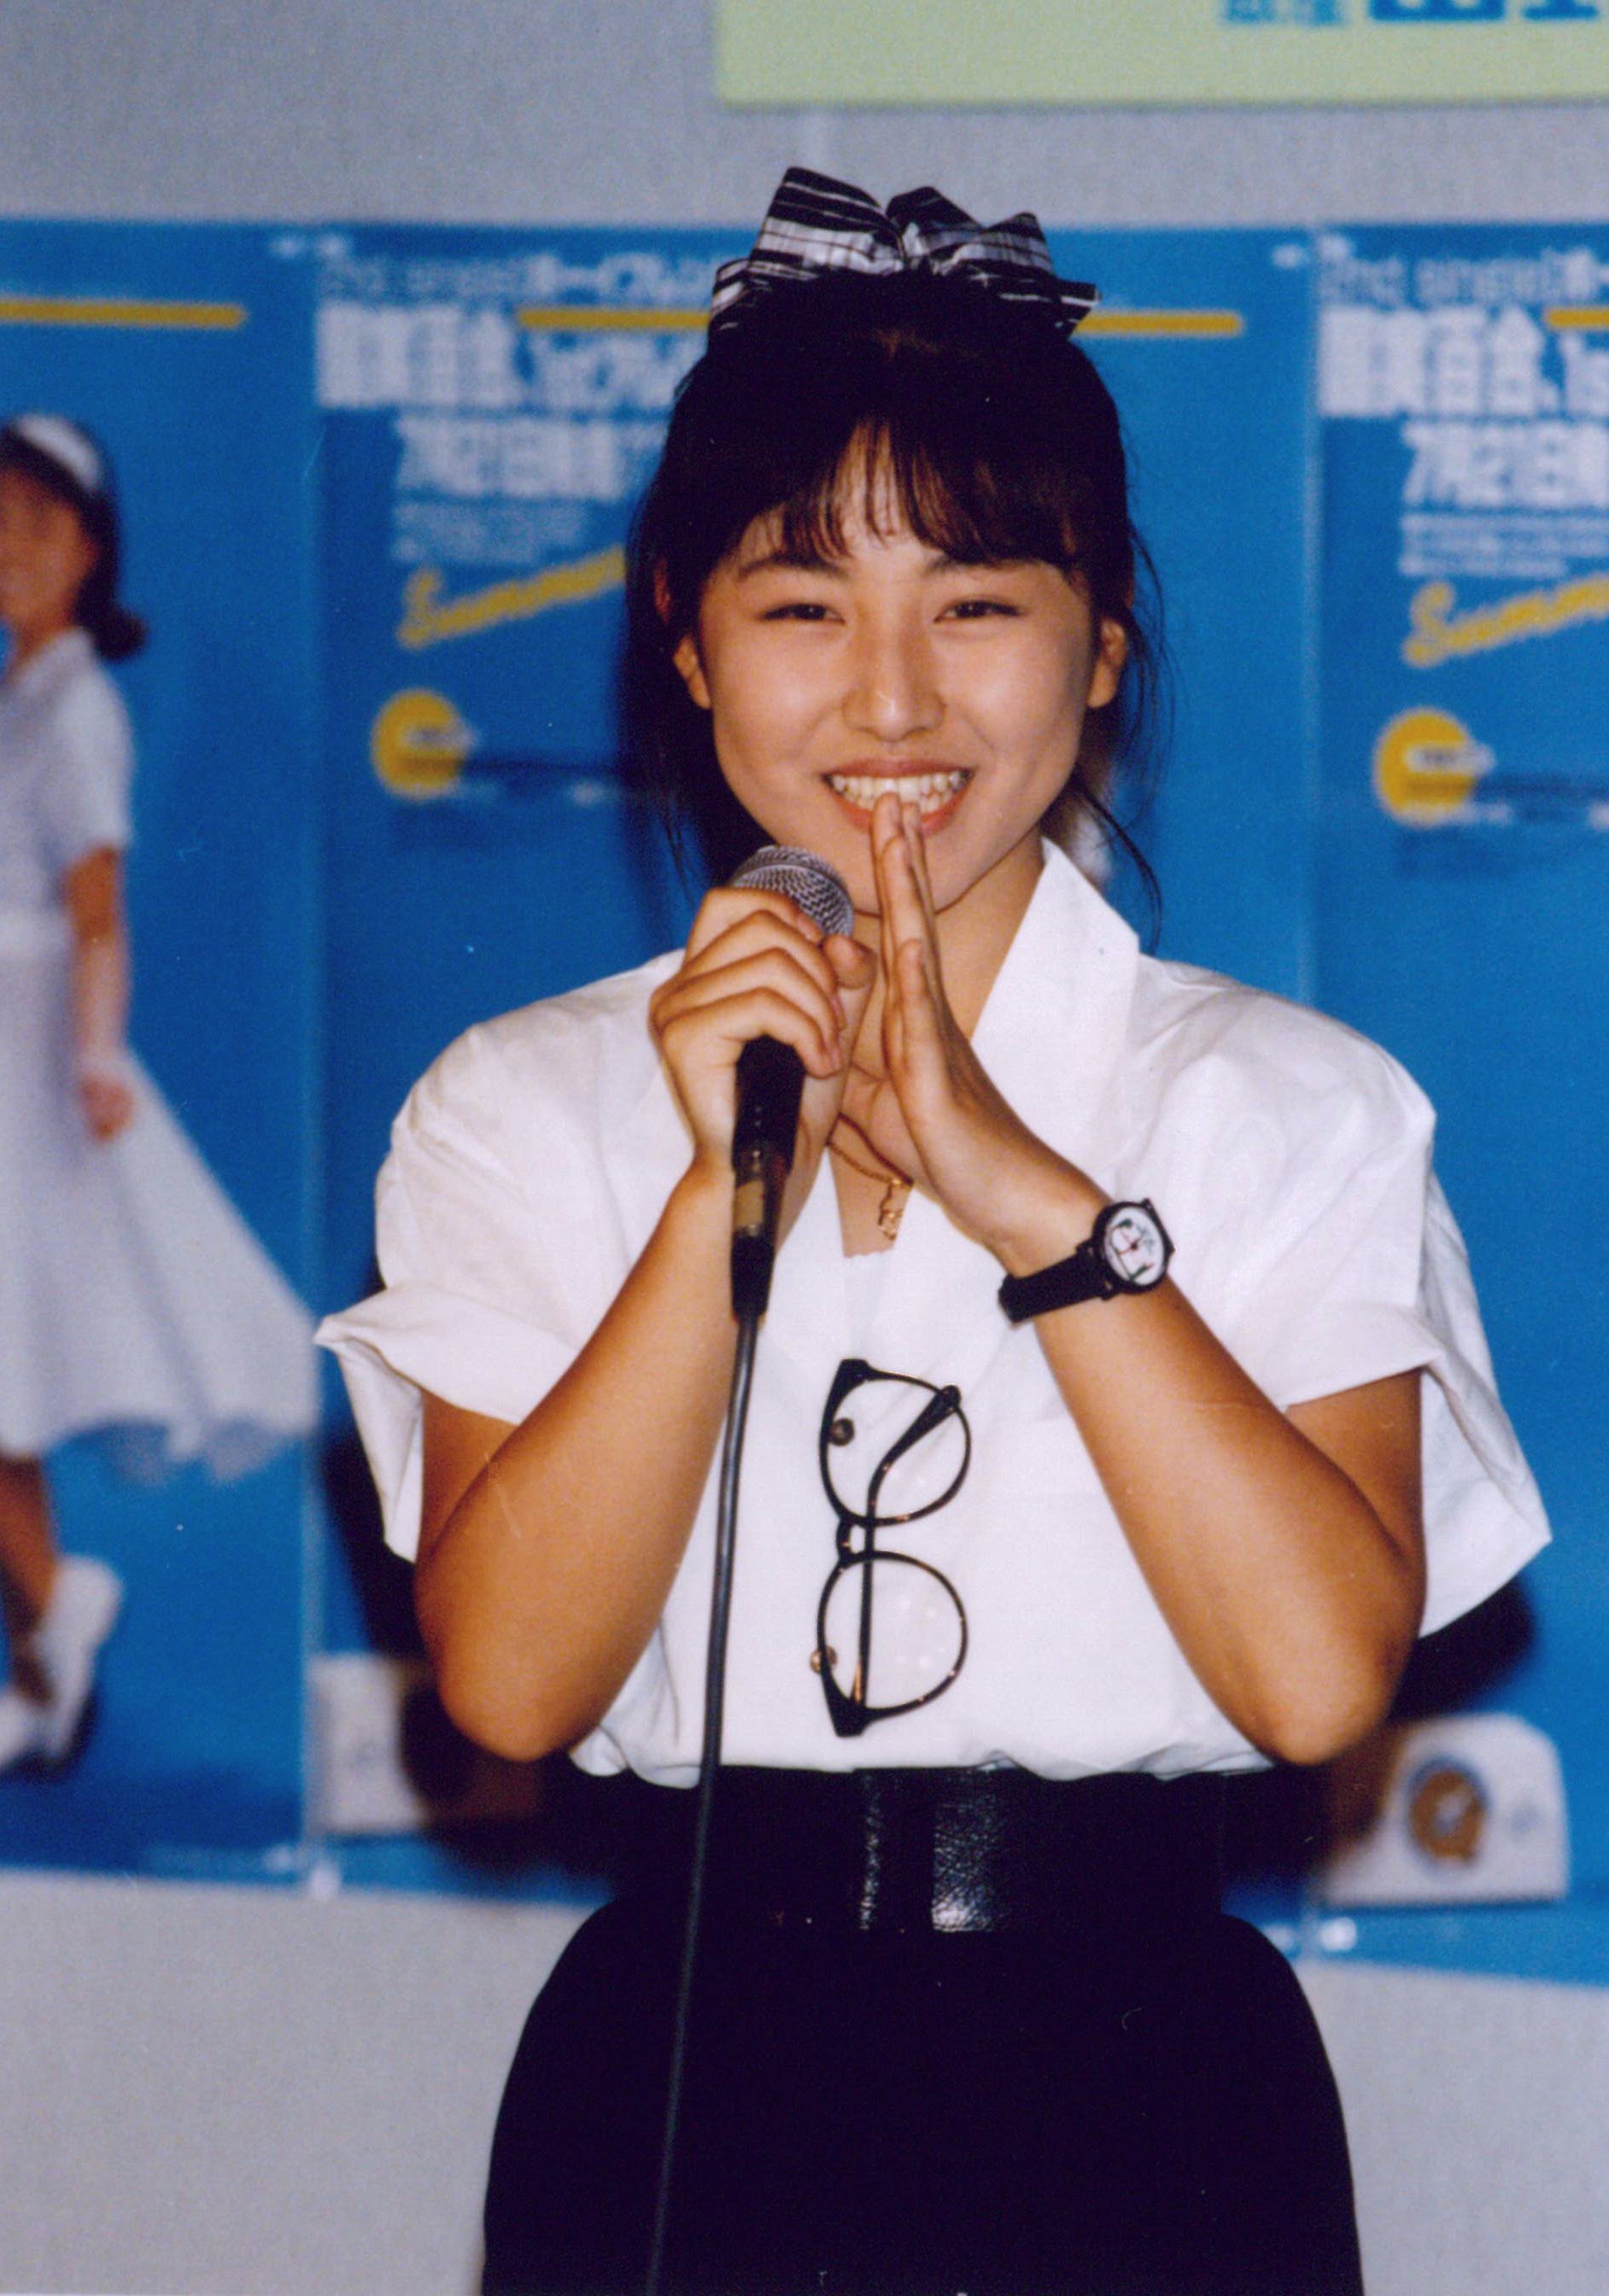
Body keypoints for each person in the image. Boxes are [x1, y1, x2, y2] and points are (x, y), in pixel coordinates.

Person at [319, 172, 1549, 2296]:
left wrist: (1034, 1203)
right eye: (805, 605)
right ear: (684, 634)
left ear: (1104, 641)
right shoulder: (518, 1100)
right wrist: (714, 1193)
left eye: (975, 601)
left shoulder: (1288, 1102)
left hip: (1146, 2082)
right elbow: (510, 1683)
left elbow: (1317, 1674)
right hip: (685, 2068)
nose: (892, 699)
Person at [0, 412, 317, 1775]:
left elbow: (98, 913)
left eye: (39, 524)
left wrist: (91, 1058)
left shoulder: (77, 709)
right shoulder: (26, 692)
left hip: (28, 1059)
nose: (11, 547)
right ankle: (51, 1636)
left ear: (91, 552)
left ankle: (55, 1617)